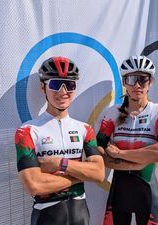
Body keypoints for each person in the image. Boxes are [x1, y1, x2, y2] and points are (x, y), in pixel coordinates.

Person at [15, 56, 105, 225]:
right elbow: (33, 185)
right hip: (46, 215)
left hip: (81, 215)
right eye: (55, 85)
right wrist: (80, 177)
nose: (63, 92)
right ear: (43, 88)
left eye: (69, 85)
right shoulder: (27, 131)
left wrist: (60, 163)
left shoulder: (85, 129)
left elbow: (99, 173)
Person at [97, 55, 158, 225]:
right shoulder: (112, 113)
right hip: (119, 193)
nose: (137, 85)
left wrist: (120, 153)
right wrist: (138, 161)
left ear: (150, 82)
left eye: (142, 80)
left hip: (146, 191)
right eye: (131, 79)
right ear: (124, 82)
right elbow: (97, 153)